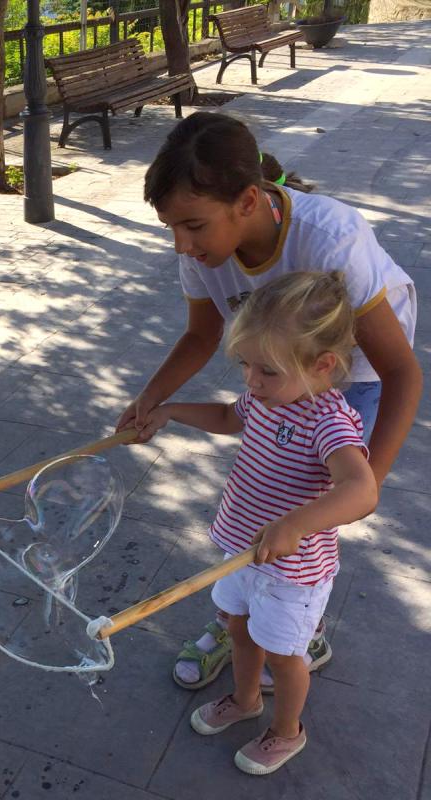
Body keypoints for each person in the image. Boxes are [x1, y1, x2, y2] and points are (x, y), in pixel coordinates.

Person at [116, 112, 421, 692]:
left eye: (194, 226)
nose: (182, 245)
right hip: (276, 364)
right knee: (273, 500)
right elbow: (202, 336)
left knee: (314, 510)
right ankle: (242, 622)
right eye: (172, 228)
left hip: (355, 366)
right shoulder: (199, 253)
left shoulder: (333, 238)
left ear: (249, 201)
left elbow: (401, 371)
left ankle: (297, 628)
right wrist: (151, 399)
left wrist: (367, 485)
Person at [138, 271, 378, 774]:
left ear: (322, 366)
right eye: (245, 364)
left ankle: (288, 731)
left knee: (286, 657)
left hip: (294, 573)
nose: (251, 380)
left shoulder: (328, 420)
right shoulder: (267, 398)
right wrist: (170, 412)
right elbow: (231, 418)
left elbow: (361, 489)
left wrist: (295, 524)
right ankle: (246, 700)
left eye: (266, 370)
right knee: (240, 631)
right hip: (243, 551)